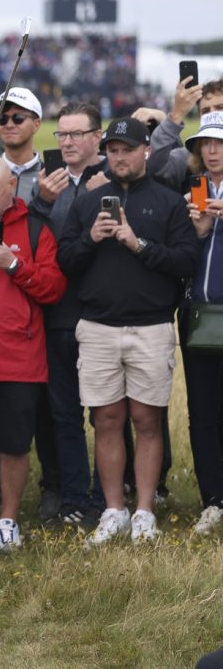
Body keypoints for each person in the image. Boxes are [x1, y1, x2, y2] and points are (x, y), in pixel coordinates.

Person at [57, 117, 200, 545]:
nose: (120, 157)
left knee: (146, 419)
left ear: (146, 152)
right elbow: (66, 261)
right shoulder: (88, 202)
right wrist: (91, 239)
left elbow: (186, 261)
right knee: (106, 419)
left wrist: (140, 246)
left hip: (151, 326)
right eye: (113, 150)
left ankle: (144, 512)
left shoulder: (168, 201)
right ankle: (114, 510)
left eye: (128, 149)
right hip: (98, 326)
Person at [0, 158, 65, 552]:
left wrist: (15, 264)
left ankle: (8, 519)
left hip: (19, 355)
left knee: (14, 445)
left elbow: (54, 289)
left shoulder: (36, 228)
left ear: (13, 186)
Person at [29, 102, 107, 525]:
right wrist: (41, 202)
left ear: (98, 137)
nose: (69, 142)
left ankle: (110, 498)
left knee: (108, 414)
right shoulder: (47, 184)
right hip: (57, 313)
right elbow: (28, 233)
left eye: (78, 134)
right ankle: (74, 499)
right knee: (63, 414)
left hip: (101, 312)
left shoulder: (111, 180)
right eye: (63, 135)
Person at [174, 111, 223, 536]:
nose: (210, 151)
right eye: (204, 144)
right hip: (198, 314)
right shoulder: (195, 188)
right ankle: (213, 500)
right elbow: (186, 253)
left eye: (219, 143)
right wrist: (201, 230)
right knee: (202, 412)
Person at [0, 87, 43, 205]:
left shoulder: (51, 177)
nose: (9, 125)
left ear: (36, 125)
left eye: (18, 118)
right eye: (2, 119)